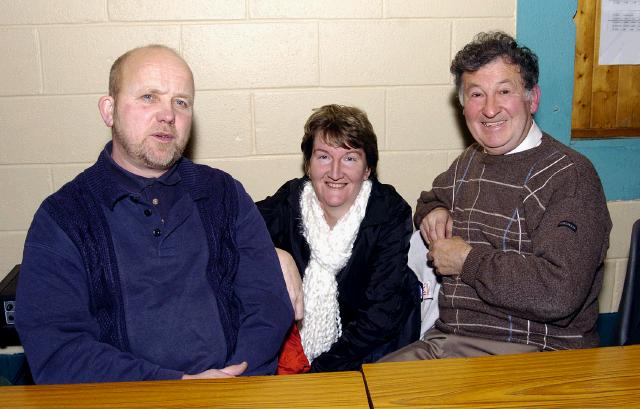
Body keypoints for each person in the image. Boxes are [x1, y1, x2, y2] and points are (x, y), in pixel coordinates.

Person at [15, 45, 293, 384]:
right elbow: (58, 348)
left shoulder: (223, 194)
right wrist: (172, 387)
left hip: (235, 390)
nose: (168, 115)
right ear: (109, 110)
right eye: (149, 97)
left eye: (181, 102)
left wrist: (232, 381)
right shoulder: (64, 217)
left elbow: (267, 305)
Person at [380, 32, 612, 362]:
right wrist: (434, 210)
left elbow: (559, 292)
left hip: (535, 352)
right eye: (477, 94)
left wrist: (467, 260)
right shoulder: (470, 161)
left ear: (532, 99)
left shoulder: (570, 176)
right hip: (451, 339)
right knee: (371, 385)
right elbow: (432, 197)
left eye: (504, 91)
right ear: (463, 108)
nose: (490, 109)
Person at [256, 104, 421, 373]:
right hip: (297, 356)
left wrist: (318, 372)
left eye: (350, 158)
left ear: (367, 169)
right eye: (323, 157)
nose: (335, 172)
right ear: (308, 165)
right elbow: (234, 224)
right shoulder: (290, 201)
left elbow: (380, 316)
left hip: (370, 354)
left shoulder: (389, 212)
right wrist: (278, 254)